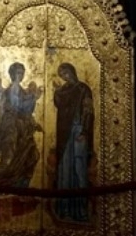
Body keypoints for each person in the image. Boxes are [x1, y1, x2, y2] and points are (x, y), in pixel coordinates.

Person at [0, 62, 42, 189]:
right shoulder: (12, 89)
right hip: (11, 130)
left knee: (32, 156)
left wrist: (33, 99)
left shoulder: (21, 90)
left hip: (22, 130)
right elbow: (19, 107)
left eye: (22, 73)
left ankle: (21, 186)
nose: (21, 76)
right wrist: (34, 97)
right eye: (18, 73)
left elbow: (26, 111)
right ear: (12, 74)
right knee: (9, 159)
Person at [53, 63, 94, 222]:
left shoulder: (83, 89)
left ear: (72, 71)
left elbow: (88, 110)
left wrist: (84, 130)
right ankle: (64, 210)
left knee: (78, 169)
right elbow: (60, 104)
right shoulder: (62, 90)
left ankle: (80, 210)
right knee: (65, 170)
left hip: (78, 131)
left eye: (65, 72)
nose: (64, 76)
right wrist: (56, 93)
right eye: (61, 74)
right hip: (64, 135)